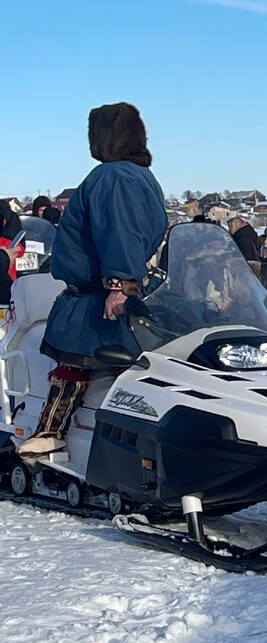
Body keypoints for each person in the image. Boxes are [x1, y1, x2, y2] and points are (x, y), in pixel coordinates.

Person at [18, 103, 168, 459]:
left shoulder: (111, 176)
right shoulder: (143, 176)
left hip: (96, 293)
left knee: (74, 358)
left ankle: (51, 432)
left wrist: (119, 286)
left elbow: (119, 232)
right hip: (128, 284)